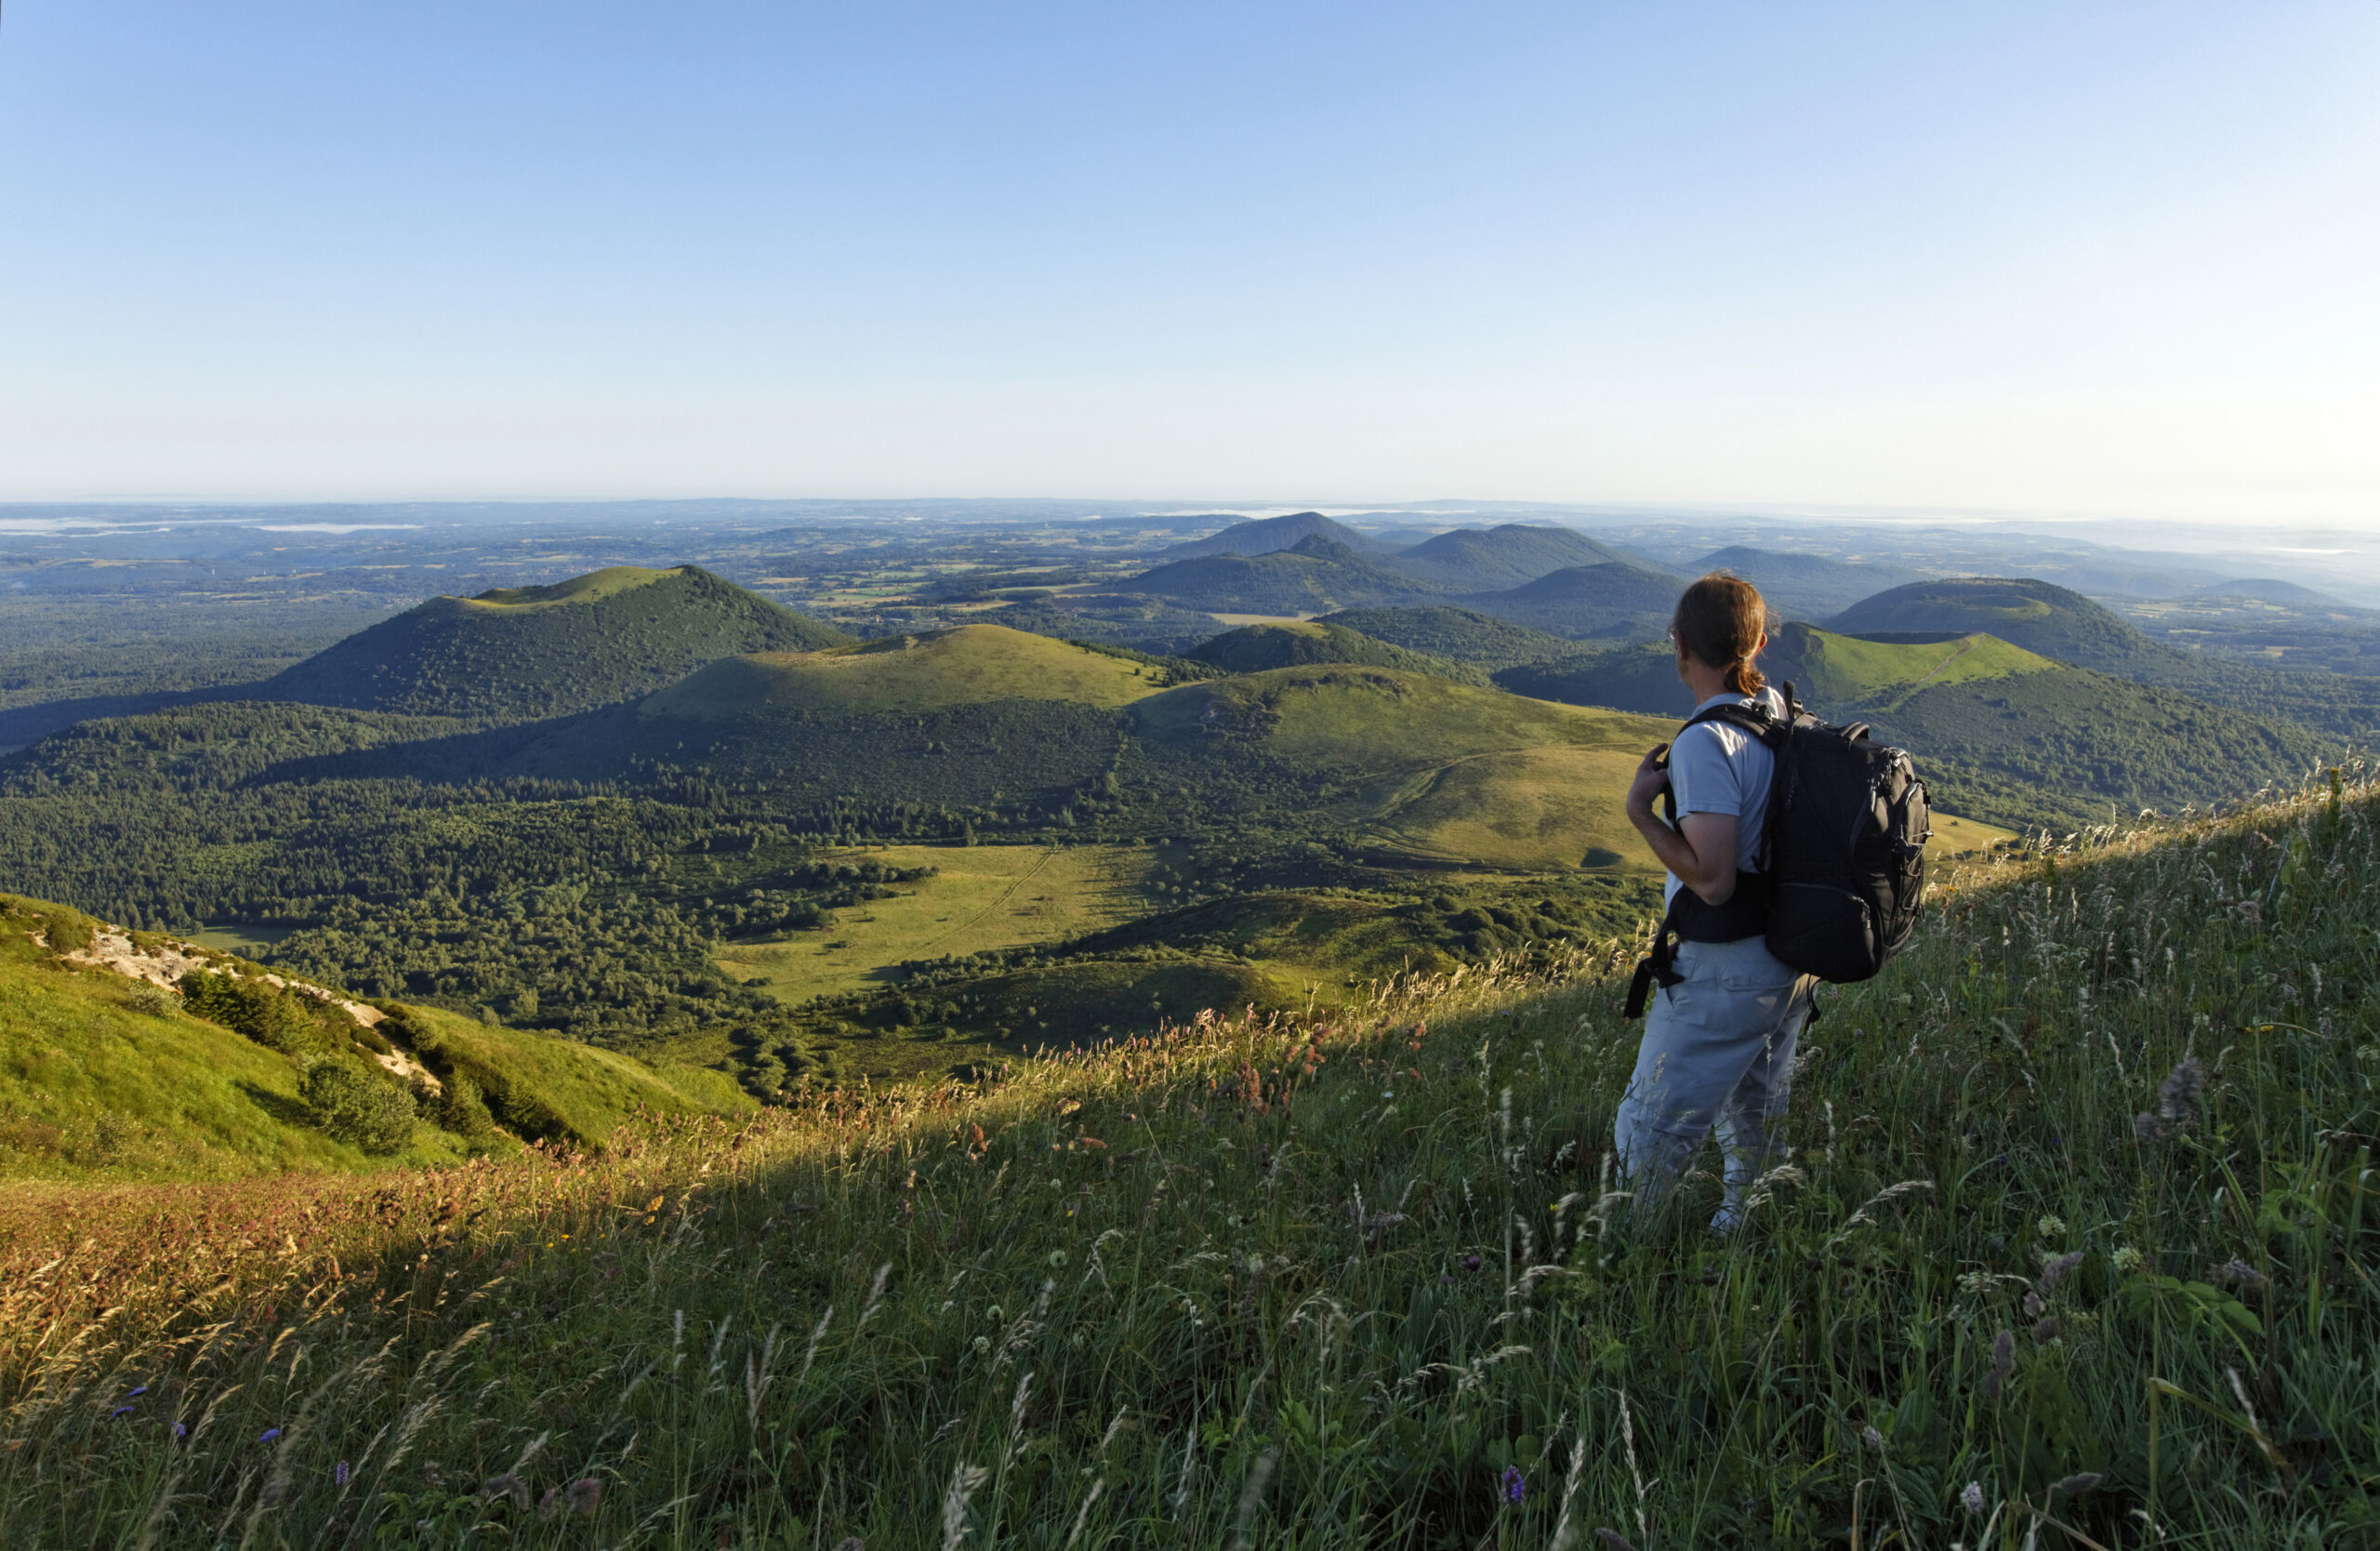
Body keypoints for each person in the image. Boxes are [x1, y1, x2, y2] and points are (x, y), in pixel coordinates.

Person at [1614, 572, 1813, 1232]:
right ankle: (1749, 1235)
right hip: (1785, 957)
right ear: (1757, 642)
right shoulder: (1776, 715)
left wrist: (1642, 812)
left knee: (1647, 1131)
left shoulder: (1705, 742)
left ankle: (1630, 1258)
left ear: (1679, 648)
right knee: (1756, 1115)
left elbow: (1712, 877)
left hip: (1725, 966)